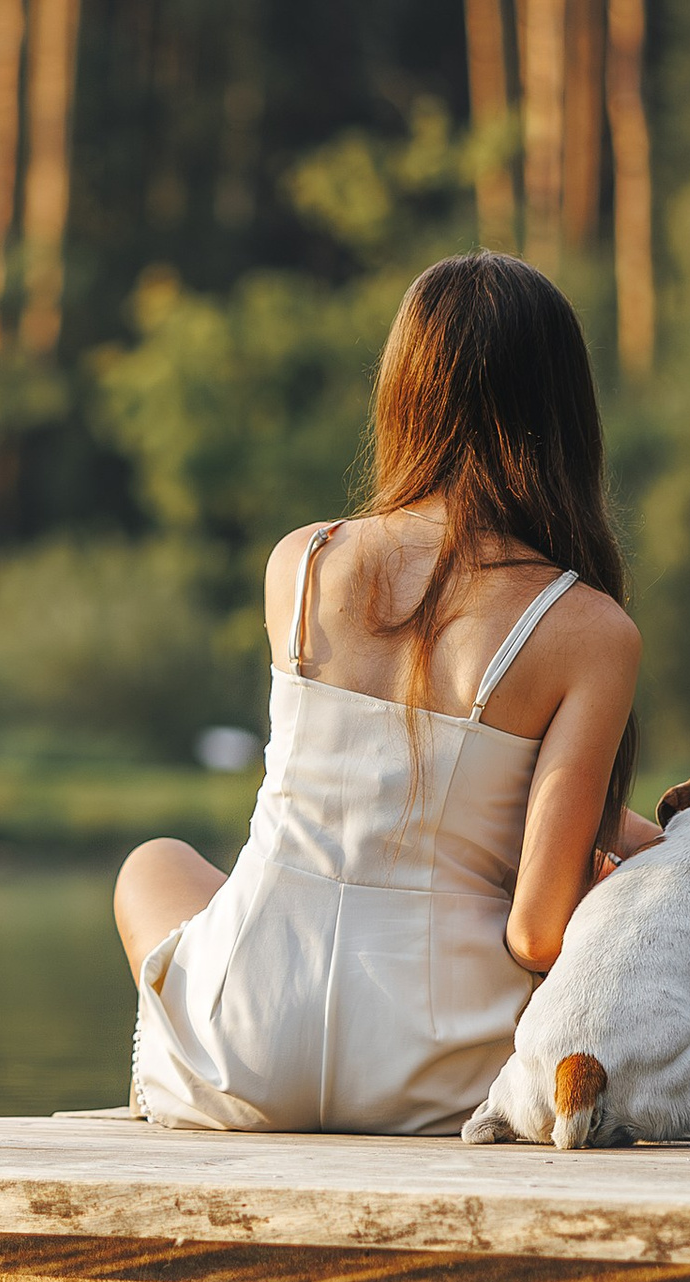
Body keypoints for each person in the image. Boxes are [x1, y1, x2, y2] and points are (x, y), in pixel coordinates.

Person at [117, 252, 657, 1136]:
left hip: (241, 1049)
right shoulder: (589, 631)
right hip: (441, 1074)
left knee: (154, 867)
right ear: (565, 414)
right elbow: (535, 935)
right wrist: (649, 849)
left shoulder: (300, 565)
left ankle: (178, 1061)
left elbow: (381, 796)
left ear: (405, 393)